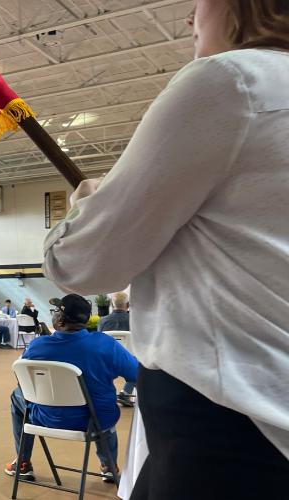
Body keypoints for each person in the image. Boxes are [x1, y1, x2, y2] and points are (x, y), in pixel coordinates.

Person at [43, 3, 289, 497]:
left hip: (230, 416)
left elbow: (85, 262)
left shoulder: (230, 81)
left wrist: (85, 204)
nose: (189, 20)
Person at [6, 294, 138, 483]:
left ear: (59, 319)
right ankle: (109, 466)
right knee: (102, 403)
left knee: (16, 396)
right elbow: (136, 374)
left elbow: (22, 382)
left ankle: (23, 462)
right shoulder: (105, 344)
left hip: (45, 417)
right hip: (94, 421)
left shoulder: (37, 346)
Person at [96, 292, 134, 406]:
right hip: (130, 359)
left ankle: (106, 394)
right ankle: (126, 392)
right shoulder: (134, 319)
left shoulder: (102, 321)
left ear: (112, 305)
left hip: (106, 359)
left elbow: (99, 341)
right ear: (128, 305)